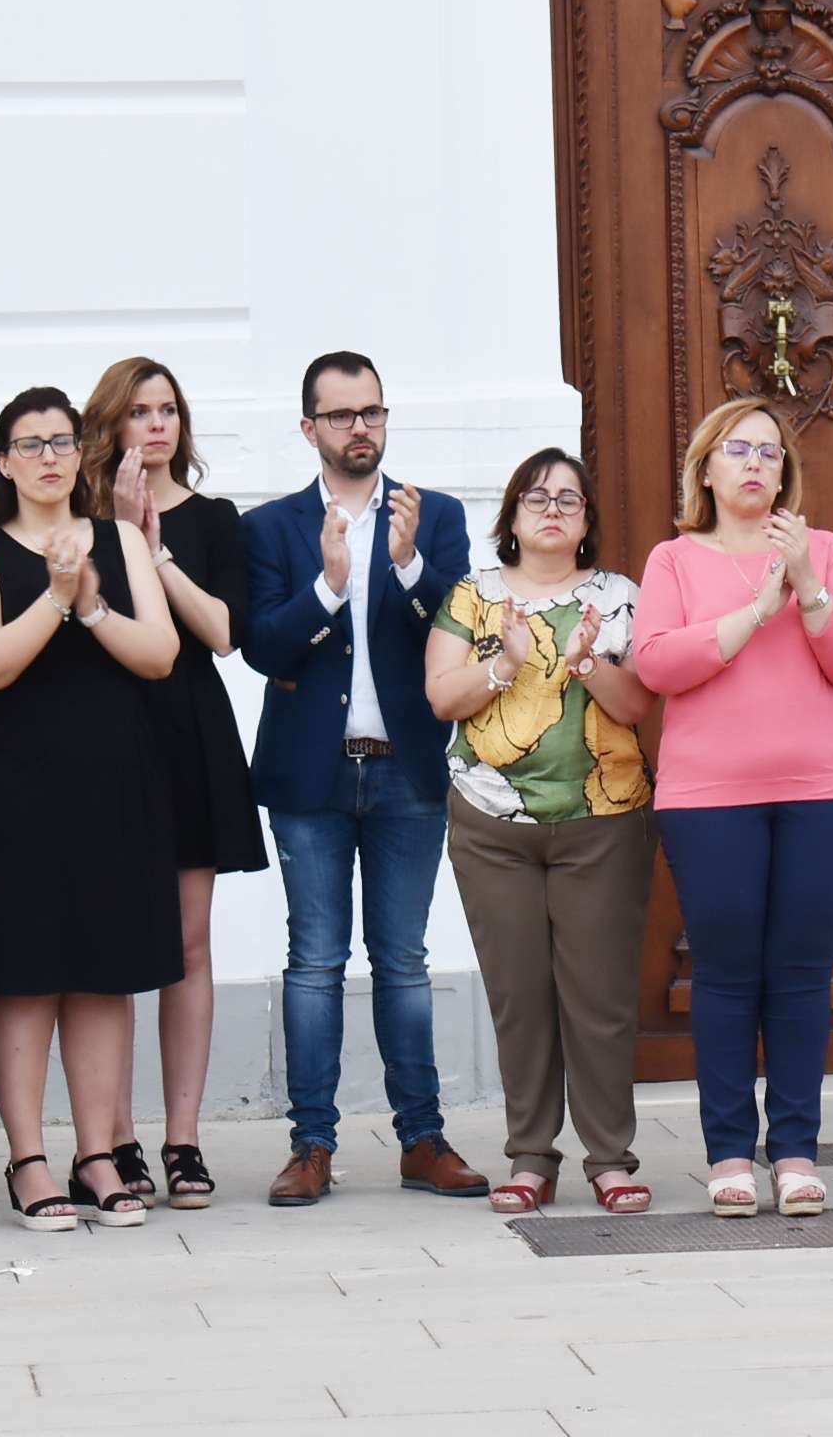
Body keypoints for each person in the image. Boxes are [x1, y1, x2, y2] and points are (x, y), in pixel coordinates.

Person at [241, 351, 483, 1207]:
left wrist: (412, 569)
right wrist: (328, 587)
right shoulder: (270, 528)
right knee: (313, 962)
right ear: (309, 428)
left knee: (405, 962)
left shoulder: (436, 516)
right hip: (311, 776)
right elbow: (262, 646)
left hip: (407, 772)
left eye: (372, 413)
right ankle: (312, 1146)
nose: (360, 429)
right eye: (341, 416)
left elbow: (465, 627)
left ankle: (422, 1138)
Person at [630, 398, 833, 1217]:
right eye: (737, 450)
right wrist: (751, 614)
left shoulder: (826, 552)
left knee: (803, 977)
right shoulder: (673, 560)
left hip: (820, 793)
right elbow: (658, 664)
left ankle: (797, 1152)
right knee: (728, 977)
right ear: (706, 468)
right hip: (709, 800)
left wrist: (806, 585)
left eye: (770, 453)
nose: (754, 464)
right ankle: (730, 1154)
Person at [0, 387, 182, 1233]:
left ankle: (95, 1156)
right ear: (3, 460)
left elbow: (161, 654)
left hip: (116, 787)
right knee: (22, 976)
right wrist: (51, 597)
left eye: (61, 440)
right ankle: (29, 1158)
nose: (49, 455)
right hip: (15, 792)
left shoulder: (119, 538)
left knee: (103, 977)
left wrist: (91, 604)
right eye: (29, 442)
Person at [423, 447, 658, 1216]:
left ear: (587, 521)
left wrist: (587, 662)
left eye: (569, 499)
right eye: (536, 497)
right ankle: (530, 1157)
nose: (552, 508)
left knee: (599, 997)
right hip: (492, 824)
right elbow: (440, 696)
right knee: (519, 996)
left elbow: (635, 708)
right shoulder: (473, 596)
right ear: (512, 516)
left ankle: (610, 1158)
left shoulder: (621, 597)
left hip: (604, 822)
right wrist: (505, 665)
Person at [83, 355, 268, 1211]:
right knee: (117, 945)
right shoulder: (78, 520)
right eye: (139, 411)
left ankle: (184, 1138)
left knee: (189, 946)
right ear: (111, 425)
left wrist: (155, 554)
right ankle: (113, 1140)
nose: (157, 424)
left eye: (168, 410)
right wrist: (117, 529)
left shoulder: (215, 519)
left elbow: (224, 633)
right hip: (110, 735)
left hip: (190, 730)